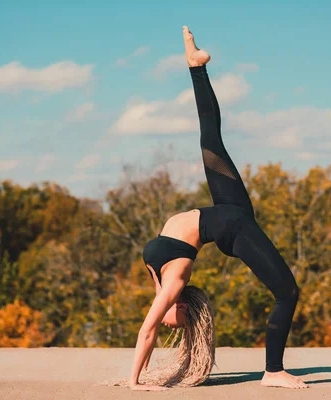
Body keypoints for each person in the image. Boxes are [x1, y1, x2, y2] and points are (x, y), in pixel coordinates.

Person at [129, 26, 308, 391]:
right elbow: (148, 328)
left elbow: (149, 326)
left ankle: (196, 67)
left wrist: (135, 379)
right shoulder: (172, 278)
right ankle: (273, 371)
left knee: (210, 136)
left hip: (227, 207)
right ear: (182, 306)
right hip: (233, 228)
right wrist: (134, 383)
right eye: (175, 321)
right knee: (287, 293)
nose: (166, 321)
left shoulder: (159, 277)